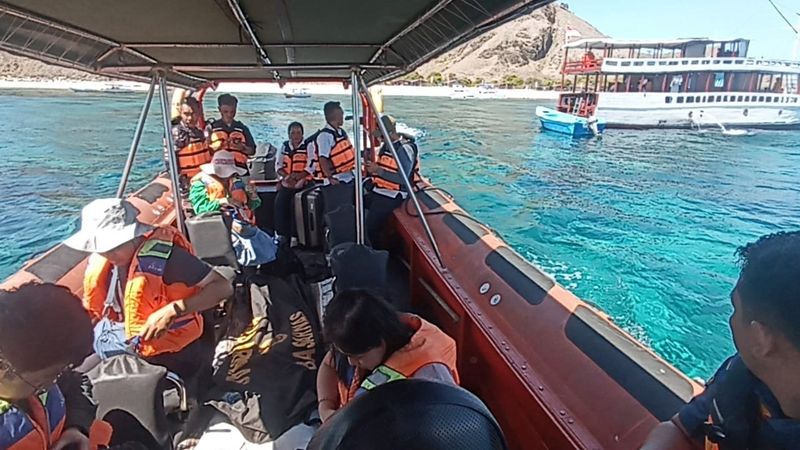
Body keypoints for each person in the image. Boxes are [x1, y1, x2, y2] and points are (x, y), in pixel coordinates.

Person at [641, 231, 800, 450]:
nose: (731, 320)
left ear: (761, 338)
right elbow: (679, 430)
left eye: (735, 308)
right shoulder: (744, 378)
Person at [64, 198, 233, 382]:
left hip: (166, 354)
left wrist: (173, 311)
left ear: (133, 235)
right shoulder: (104, 262)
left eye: (115, 247)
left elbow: (222, 287)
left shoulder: (171, 260)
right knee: (74, 381)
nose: (109, 254)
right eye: (102, 249)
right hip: (115, 339)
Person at [316, 289, 459, 422]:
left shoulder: (429, 374)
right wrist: (325, 407)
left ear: (381, 341)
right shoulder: (352, 339)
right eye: (345, 354)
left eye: (359, 356)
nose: (351, 362)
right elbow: (329, 364)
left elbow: (443, 426)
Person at [0, 282, 112, 450]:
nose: (51, 384)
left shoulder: (41, 371)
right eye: (43, 380)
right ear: (4, 369)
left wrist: (76, 427)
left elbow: (77, 383)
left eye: (57, 375)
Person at [189, 151, 277, 268]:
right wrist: (223, 202)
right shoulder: (200, 184)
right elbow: (199, 209)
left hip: (241, 226)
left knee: (266, 244)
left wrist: (252, 196)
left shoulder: (236, 182)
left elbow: (253, 205)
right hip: (218, 229)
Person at [364, 115, 419, 246]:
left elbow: (403, 179)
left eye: (381, 136)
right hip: (381, 189)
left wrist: (378, 171)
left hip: (394, 194)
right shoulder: (387, 147)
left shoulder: (404, 149)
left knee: (370, 226)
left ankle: (378, 252)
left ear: (389, 133)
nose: (379, 139)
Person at [306, 101, 356, 210]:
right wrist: (330, 178)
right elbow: (322, 158)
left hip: (348, 178)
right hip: (336, 182)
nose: (343, 116)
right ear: (335, 115)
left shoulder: (341, 132)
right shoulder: (325, 136)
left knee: (348, 208)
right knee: (337, 211)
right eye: (341, 114)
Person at [274, 121, 312, 241]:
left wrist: (298, 177)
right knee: (279, 203)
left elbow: (311, 167)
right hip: (288, 181)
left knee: (296, 205)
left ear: (302, 134)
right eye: (293, 133)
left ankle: (296, 236)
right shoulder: (284, 146)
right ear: (289, 135)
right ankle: (282, 235)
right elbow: (278, 166)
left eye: (298, 133)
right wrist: (286, 177)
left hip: (303, 183)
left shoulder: (309, 146)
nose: (296, 136)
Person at [166, 97, 212, 188]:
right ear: (180, 112)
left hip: (203, 179)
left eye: (193, 113)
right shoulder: (177, 133)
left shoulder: (199, 133)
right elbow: (170, 162)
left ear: (198, 113)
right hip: (186, 182)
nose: (190, 118)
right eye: (186, 114)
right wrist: (181, 182)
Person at [206, 94, 256, 174]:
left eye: (232, 112)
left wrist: (243, 148)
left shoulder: (242, 128)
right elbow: (205, 150)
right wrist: (215, 148)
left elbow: (252, 151)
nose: (229, 115)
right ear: (219, 109)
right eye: (225, 112)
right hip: (218, 169)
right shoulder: (211, 128)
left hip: (239, 169)